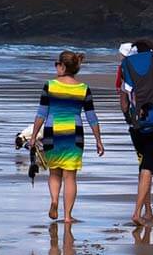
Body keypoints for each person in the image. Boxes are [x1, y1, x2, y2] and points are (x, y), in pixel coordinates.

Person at [31, 50, 104, 223]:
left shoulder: (50, 85)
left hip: (52, 133)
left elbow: (41, 113)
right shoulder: (83, 89)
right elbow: (91, 116)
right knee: (70, 177)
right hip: (74, 134)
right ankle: (67, 216)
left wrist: (34, 136)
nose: (56, 67)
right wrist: (98, 140)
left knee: (54, 174)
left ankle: (54, 200)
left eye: (57, 64)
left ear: (63, 66)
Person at [116, 39, 153, 225]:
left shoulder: (128, 71)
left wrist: (128, 118)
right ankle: (137, 212)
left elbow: (123, 101)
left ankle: (148, 211)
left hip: (135, 127)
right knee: (148, 167)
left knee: (144, 166)